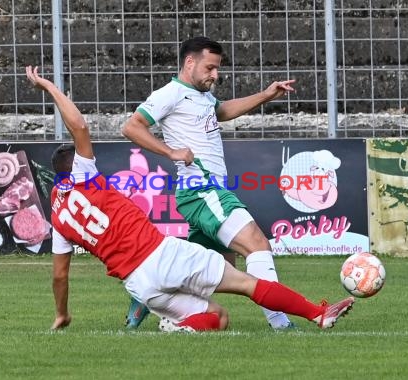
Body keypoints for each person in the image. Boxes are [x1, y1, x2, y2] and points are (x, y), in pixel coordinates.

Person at [25, 65, 355, 333]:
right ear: (77, 167)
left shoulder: (58, 217)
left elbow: (59, 276)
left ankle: (179, 329)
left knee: (217, 318)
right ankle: (316, 313)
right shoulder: (86, 179)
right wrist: (50, 88)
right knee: (247, 283)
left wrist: (62, 314)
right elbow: (79, 125)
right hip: (162, 255)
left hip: (139, 285)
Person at [121, 36, 298, 330]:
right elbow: (131, 126)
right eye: (210, 68)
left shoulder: (201, 95)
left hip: (210, 189)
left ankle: (148, 295)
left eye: (217, 69)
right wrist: (170, 152)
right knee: (257, 244)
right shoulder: (170, 93)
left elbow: (222, 111)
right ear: (190, 62)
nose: (215, 75)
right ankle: (281, 323)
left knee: (216, 271)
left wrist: (265, 95)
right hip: (201, 189)